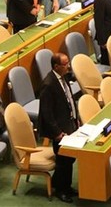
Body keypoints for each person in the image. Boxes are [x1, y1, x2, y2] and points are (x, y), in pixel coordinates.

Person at [38, 53, 79, 204]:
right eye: (65, 64)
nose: (68, 66)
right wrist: (57, 133)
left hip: (69, 124)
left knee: (69, 158)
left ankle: (64, 185)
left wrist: (76, 119)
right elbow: (46, 113)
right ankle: (61, 190)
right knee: (63, 160)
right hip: (59, 130)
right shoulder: (48, 84)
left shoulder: (63, 77)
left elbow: (69, 99)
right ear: (56, 67)